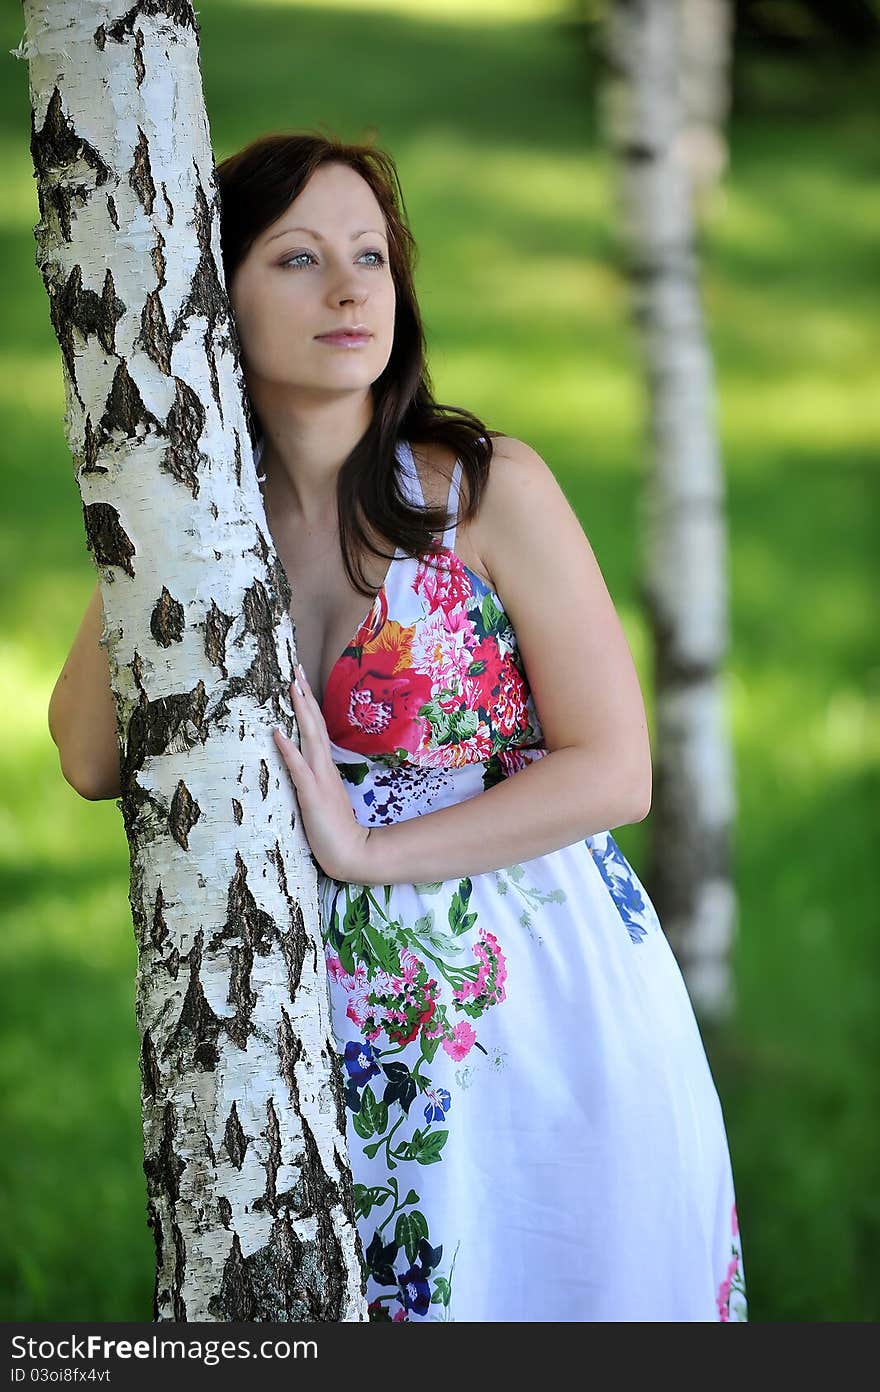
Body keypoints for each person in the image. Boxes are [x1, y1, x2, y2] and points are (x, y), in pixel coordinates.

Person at [49, 131, 747, 1323]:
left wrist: (371, 853)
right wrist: (160, 509)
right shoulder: (204, 521)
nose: (349, 287)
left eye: (370, 255)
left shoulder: (483, 491)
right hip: (304, 1023)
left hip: (533, 998)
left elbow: (615, 769)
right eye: (299, 257)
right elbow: (87, 754)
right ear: (210, 293)